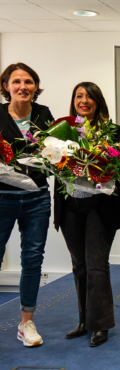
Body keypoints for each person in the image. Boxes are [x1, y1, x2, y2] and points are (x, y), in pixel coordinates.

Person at [54, 82, 120, 347]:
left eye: (89, 97)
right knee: (79, 264)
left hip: (100, 205)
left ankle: (101, 324)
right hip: (70, 204)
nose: (83, 101)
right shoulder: (62, 131)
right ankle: (84, 320)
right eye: (78, 96)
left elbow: (117, 168)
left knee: (96, 264)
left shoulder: (112, 131)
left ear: (98, 101)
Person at [0, 63, 54, 347]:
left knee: (32, 260)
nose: (23, 86)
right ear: (6, 86)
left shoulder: (44, 115)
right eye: (17, 81)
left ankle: (26, 323)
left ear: (35, 86)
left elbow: (57, 151)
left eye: (29, 81)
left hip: (37, 197)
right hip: (2, 197)